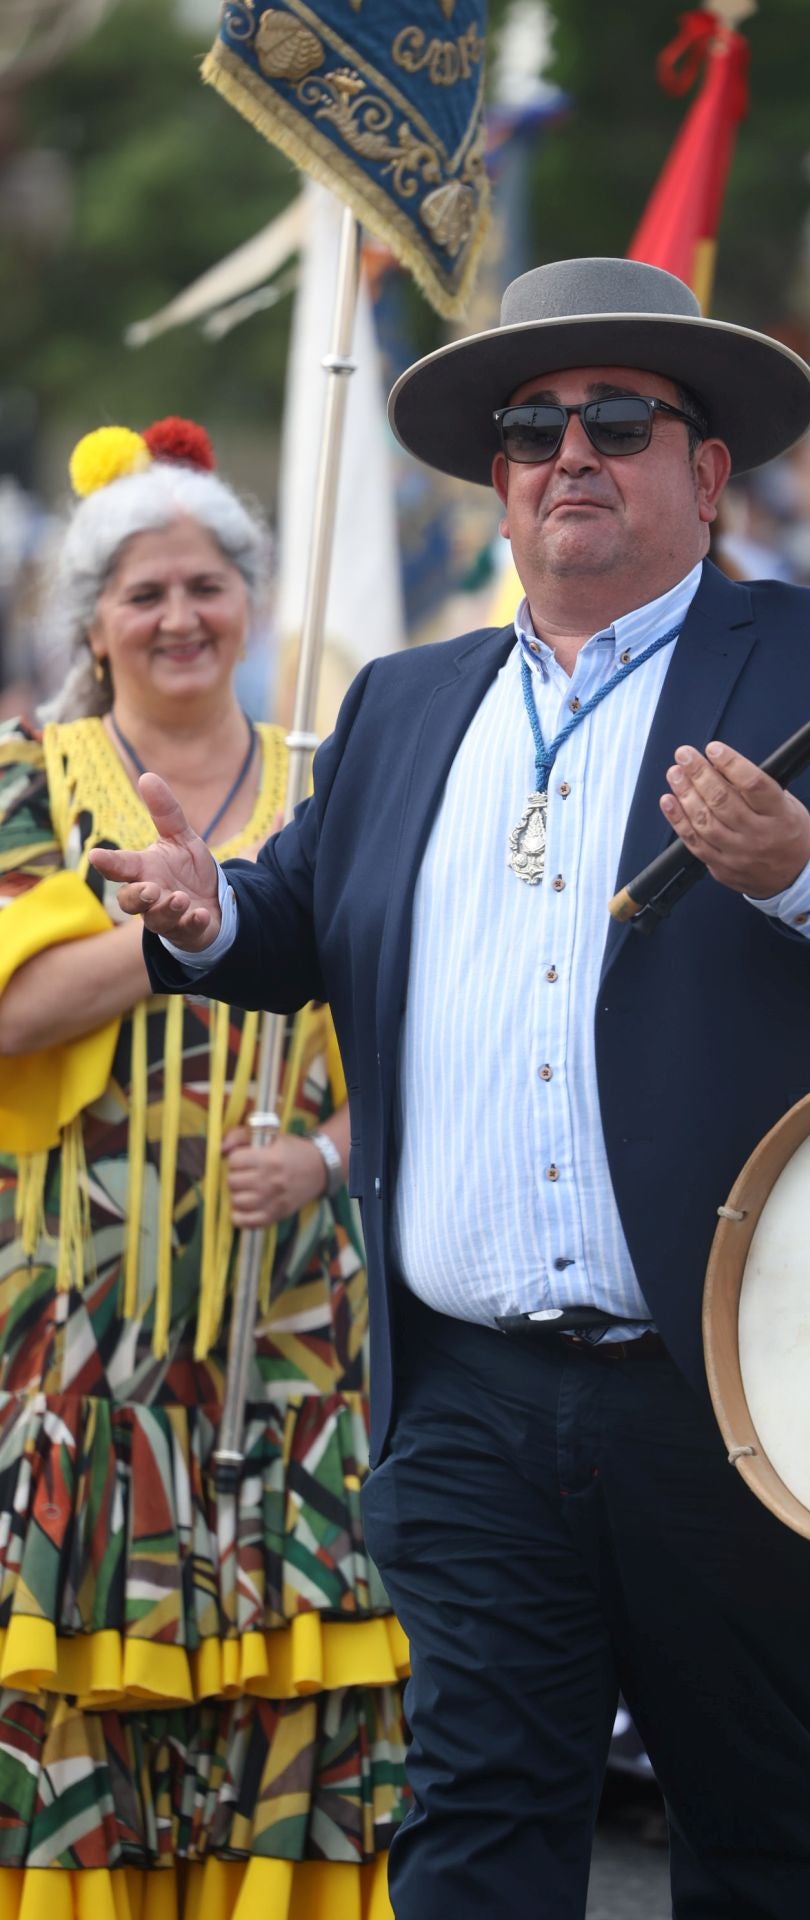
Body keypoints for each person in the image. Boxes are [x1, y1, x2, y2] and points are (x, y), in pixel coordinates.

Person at [97, 259, 810, 1920]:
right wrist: (210, 911)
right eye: (533, 428)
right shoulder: (403, 705)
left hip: (732, 1383)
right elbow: (301, 924)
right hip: (462, 1399)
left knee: (759, 1832)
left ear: (707, 472)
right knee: (476, 1825)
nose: (570, 454)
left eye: (622, 418)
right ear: (498, 480)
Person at [0, 417, 409, 1915]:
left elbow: (420, 1023)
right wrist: (188, 940)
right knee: (86, 1707)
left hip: (299, 1324)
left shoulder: (332, 778)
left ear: (252, 599)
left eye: (206, 586)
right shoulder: (30, 780)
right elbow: (12, 1010)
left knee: (294, 1700)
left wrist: (329, 1152)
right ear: (92, 628)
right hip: (86, 1324)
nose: (179, 618)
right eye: (141, 594)